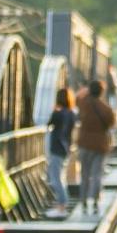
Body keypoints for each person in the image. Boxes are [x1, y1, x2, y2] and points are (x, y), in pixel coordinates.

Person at [74, 79, 116, 215]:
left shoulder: (83, 104)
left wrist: (85, 91)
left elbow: (76, 97)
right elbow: (111, 124)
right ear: (102, 92)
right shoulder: (107, 109)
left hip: (84, 143)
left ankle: (84, 201)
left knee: (84, 174)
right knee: (97, 174)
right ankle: (96, 201)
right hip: (100, 144)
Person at [44, 85, 76, 215]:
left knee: (55, 178)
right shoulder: (72, 114)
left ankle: (62, 205)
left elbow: (49, 124)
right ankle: (63, 204)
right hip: (66, 148)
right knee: (61, 177)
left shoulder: (57, 114)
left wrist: (54, 110)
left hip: (56, 148)